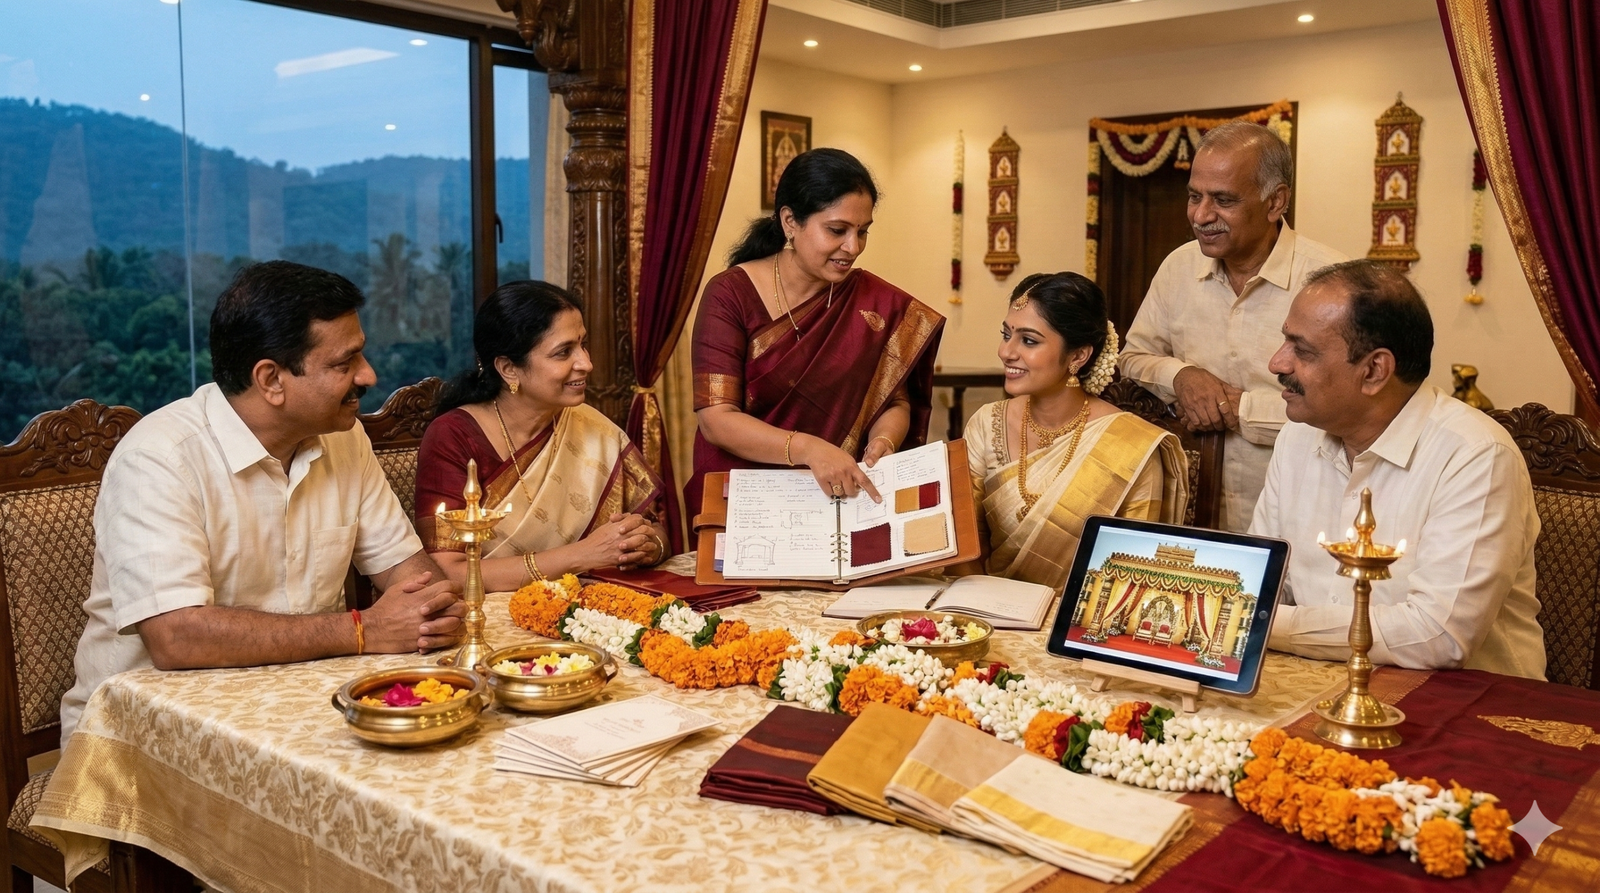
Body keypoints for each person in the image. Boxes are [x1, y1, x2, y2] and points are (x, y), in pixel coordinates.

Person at [62, 261, 465, 745]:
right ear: (271, 379)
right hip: (145, 734)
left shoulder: (344, 437)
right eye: (344, 363)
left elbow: (414, 578)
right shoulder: (159, 458)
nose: (368, 375)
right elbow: (175, 636)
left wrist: (432, 612)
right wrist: (363, 630)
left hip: (298, 707)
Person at [1250, 260, 1544, 678]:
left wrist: (1266, 624)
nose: (1277, 364)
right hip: (1316, 680)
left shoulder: (1476, 455)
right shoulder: (1297, 437)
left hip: (1464, 700)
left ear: (1374, 371)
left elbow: (1438, 636)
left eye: (1303, 351)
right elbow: (1261, 582)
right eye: (1285, 341)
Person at [686, 147, 944, 519]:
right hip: (743, 501)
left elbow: (894, 401)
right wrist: (808, 449)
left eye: (863, 232)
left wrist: (883, 441)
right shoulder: (730, 294)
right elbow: (717, 419)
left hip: (837, 499)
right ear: (790, 221)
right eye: (837, 230)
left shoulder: (873, 302)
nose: (853, 247)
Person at [1120, 121, 1347, 532]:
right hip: (1194, 518)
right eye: (1195, 197)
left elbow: (1345, 406)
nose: (1201, 216)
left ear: (1275, 202)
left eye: (1223, 200)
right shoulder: (1178, 267)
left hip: (1302, 518)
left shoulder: (1330, 281)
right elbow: (1133, 357)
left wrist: (1238, 410)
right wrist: (1182, 376)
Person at [415, 280, 669, 589]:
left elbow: (656, 529)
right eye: (563, 352)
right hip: (493, 610)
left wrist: (648, 546)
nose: (586, 363)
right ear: (509, 368)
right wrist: (582, 555)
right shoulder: (454, 437)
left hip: (591, 604)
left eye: (583, 345)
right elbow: (449, 572)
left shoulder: (590, 426)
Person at [964, 272, 1188, 591]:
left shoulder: (1131, 446)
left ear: (1078, 355)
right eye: (1006, 334)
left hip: (1081, 615)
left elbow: (1131, 572)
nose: (1006, 352)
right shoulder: (986, 424)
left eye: (1028, 341)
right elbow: (965, 546)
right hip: (985, 607)